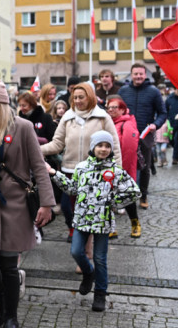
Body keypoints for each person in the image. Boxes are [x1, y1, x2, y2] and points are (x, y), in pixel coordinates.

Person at [0, 77, 55, 328]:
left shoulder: (23, 128)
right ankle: (4, 297)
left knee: (8, 264)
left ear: (4, 103)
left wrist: (47, 203)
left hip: (15, 204)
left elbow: (39, 167)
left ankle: (10, 317)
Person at [52, 132, 140, 312]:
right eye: (100, 145)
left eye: (107, 146)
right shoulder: (82, 167)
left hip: (102, 222)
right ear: (93, 147)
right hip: (82, 218)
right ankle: (88, 273)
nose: (104, 149)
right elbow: (72, 189)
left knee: (100, 259)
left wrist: (114, 203)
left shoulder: (115, 171)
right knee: (76, 251)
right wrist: (55, 173)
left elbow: (134, 192)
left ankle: (100, 293)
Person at [41, 82, 121, 249]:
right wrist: (36, 150)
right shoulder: (68, 117)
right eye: (74, 97)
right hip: (70, 171)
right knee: (68, 208)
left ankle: (87, 250)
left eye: (81, 97)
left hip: (95, 173)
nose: (77, 101)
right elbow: (57, 144)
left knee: (89, 212)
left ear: (90, 97)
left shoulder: (102, 117)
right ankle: (77, 238)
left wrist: (117, 172)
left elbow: (114, 145)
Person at [118, 63, 167, 209]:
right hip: (126, 134)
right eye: (135, 74)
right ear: (131, 75)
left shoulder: (153, 91)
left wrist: (155, 125)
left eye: (141, 74)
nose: (138, 76)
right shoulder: (123, 91)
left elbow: (163, 113)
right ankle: (125, 194)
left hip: (145, 135)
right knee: (125, 165)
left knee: (144, 167)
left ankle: (143, 195)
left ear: (145, 75)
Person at [105, 96, 142, 239]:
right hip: (109, 168)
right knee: (108, 198)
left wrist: (122, 172)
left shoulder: (126, 124)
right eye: (109, 107)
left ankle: (135, 224)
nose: (111, 110)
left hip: (121, 169)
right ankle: (111, 228)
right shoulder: (110, 123)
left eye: (114, 107)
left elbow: (128, 151)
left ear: (122, 109)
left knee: (127, 198)